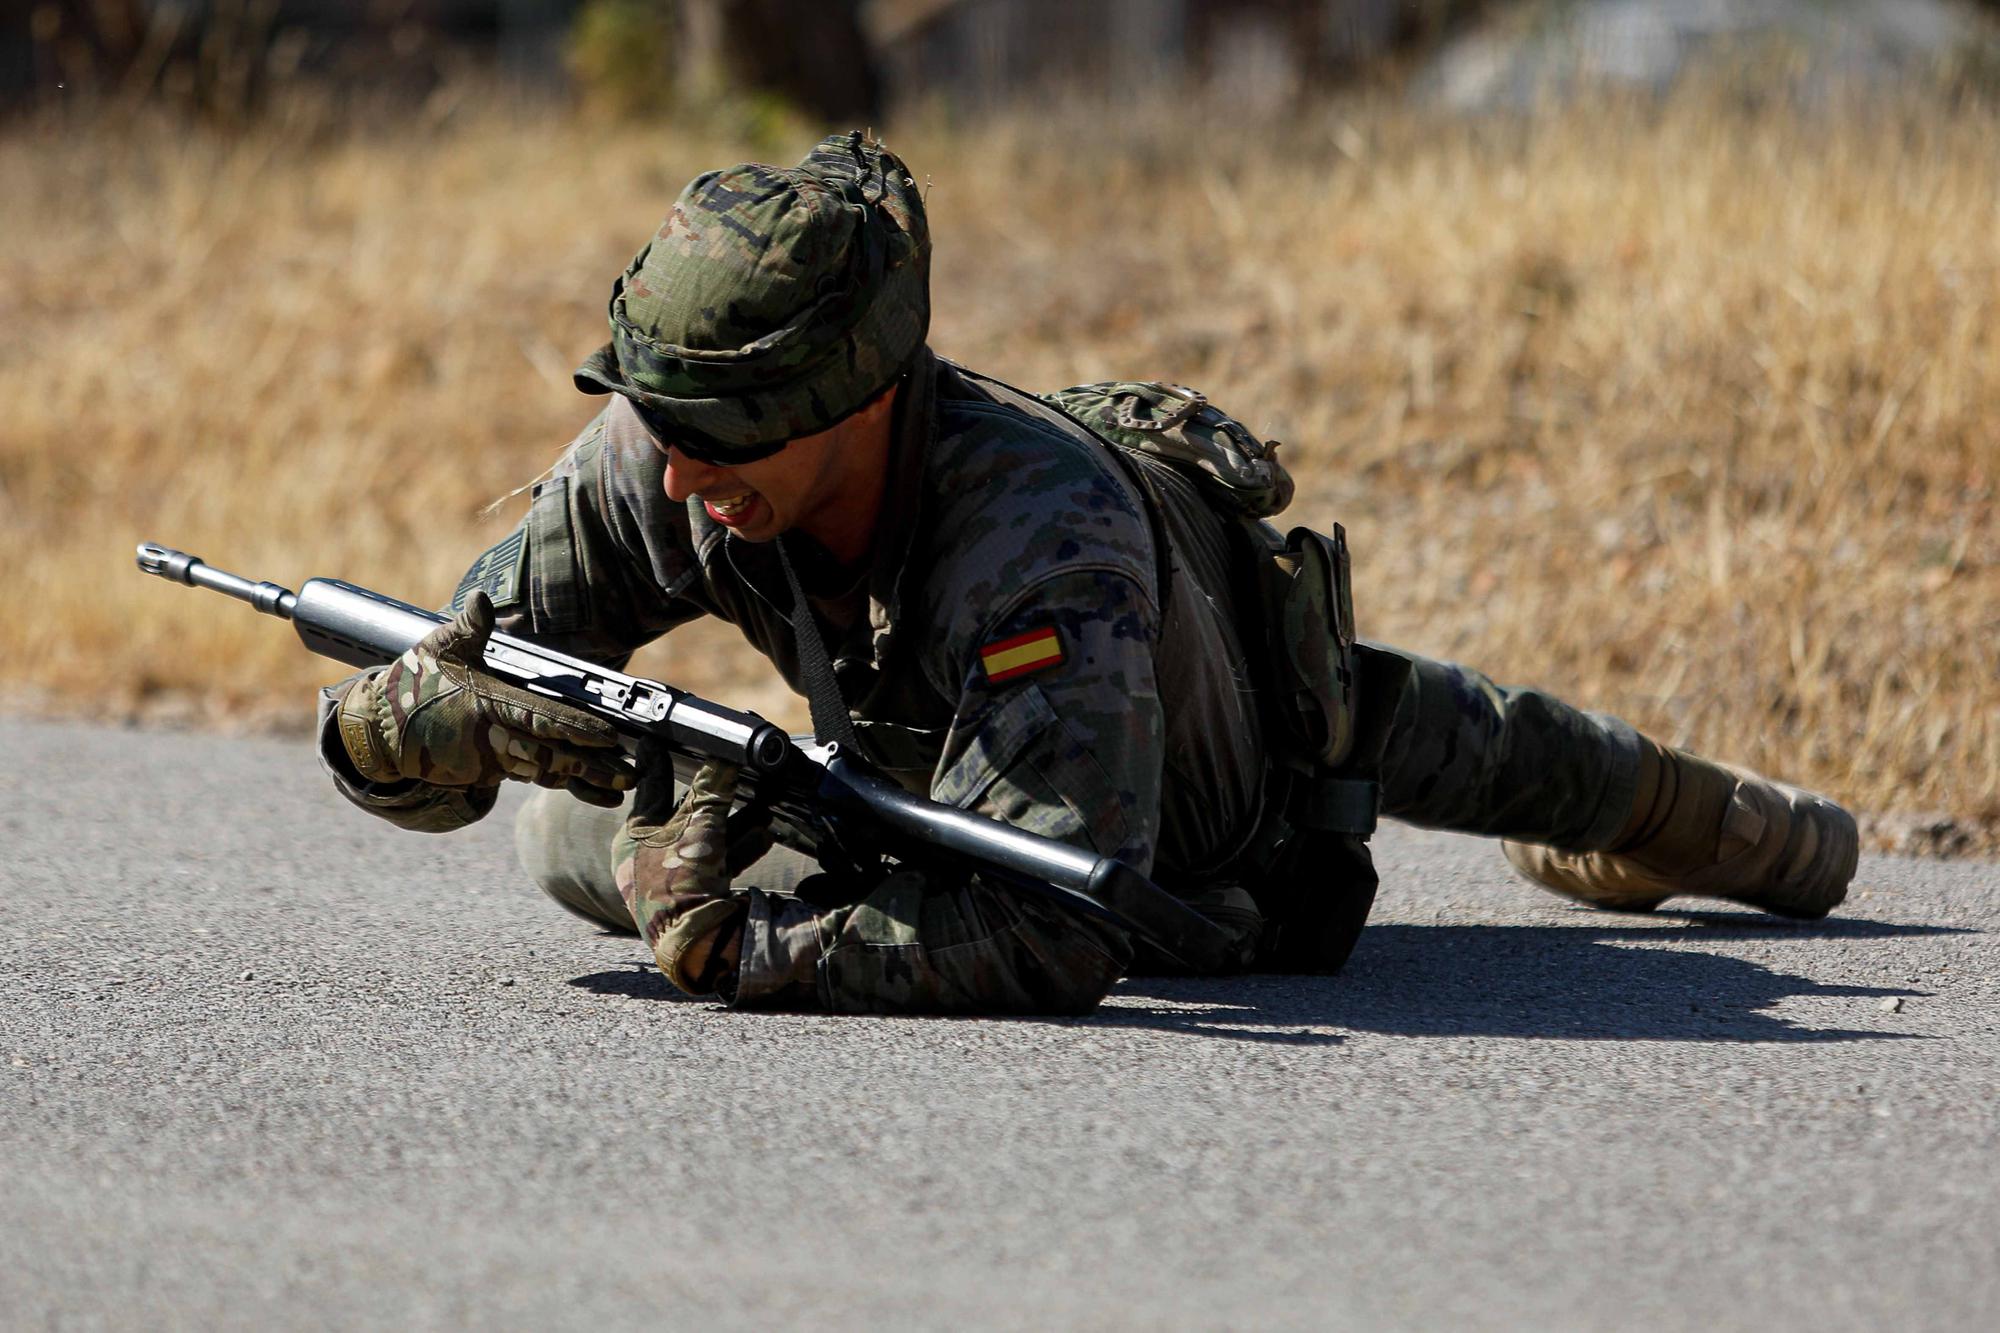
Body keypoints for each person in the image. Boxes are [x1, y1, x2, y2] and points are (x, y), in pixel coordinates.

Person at [316, 133, 1859, 1015]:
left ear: (856, 402)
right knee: (551, 831)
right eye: (648, 416)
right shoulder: (670, 457)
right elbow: (454, 681)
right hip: (922, 774)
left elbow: (1062, 932)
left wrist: (735, 942)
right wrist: (403, 738)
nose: (670, 473)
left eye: (716, 428)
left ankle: (1741, 833)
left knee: (1586, 785)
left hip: (1235, 775)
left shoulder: (1037, 545)